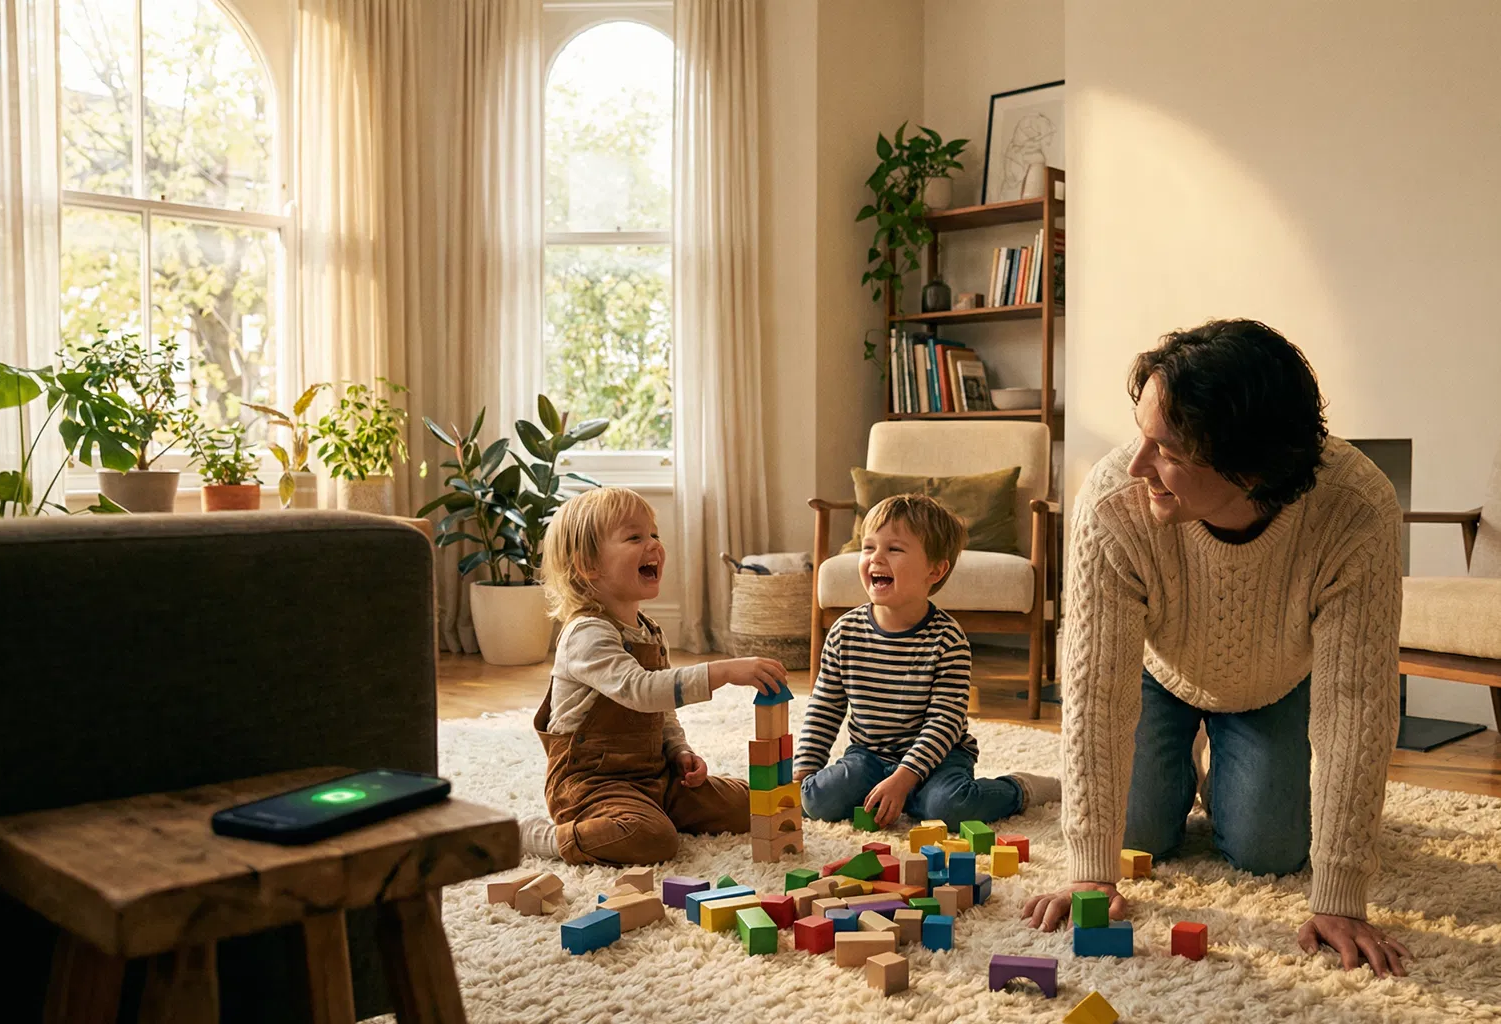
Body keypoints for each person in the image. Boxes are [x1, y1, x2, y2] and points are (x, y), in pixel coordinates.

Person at [1020, 319, 1411, 977]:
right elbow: (1094, 693)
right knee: (1137, 838)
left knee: (1272, 851)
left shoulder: (1356, 507)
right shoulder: (1115, 502)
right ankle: (1184, 758)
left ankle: (1226, 756)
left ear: (1249, 465)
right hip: (1158, 675)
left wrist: (1342, 892)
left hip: (1278, 680)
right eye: (1140, 434)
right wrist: (1091, 872)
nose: (1138, 464)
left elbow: (1356, 706)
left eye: (1166, 449)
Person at [519, 486, 788, 863]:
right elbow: (640, 691)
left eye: (654, 535)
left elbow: (661, 710)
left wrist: (679, 751)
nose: (654, 545)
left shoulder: (649, 630)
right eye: (634, 537)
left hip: (654, 776)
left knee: (752, 803)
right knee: (653, 839)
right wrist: (723, 671)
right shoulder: (586, 633)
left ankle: (656, 809)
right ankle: (548, 838)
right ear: (589, 565)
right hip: (592, 784)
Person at [794, 493, 1060, 825]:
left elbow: (944, 723)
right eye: (868, 547)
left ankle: (1019, 789)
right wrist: (804, 771)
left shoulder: (948, 640)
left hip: (940, 758)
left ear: (935, 570)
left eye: (893, 549)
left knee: (948, 809)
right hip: (869, 757)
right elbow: (825, 707)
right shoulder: (844, 632)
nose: (876, 557)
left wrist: (905, 778)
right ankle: (900, 796)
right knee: (816, 801)